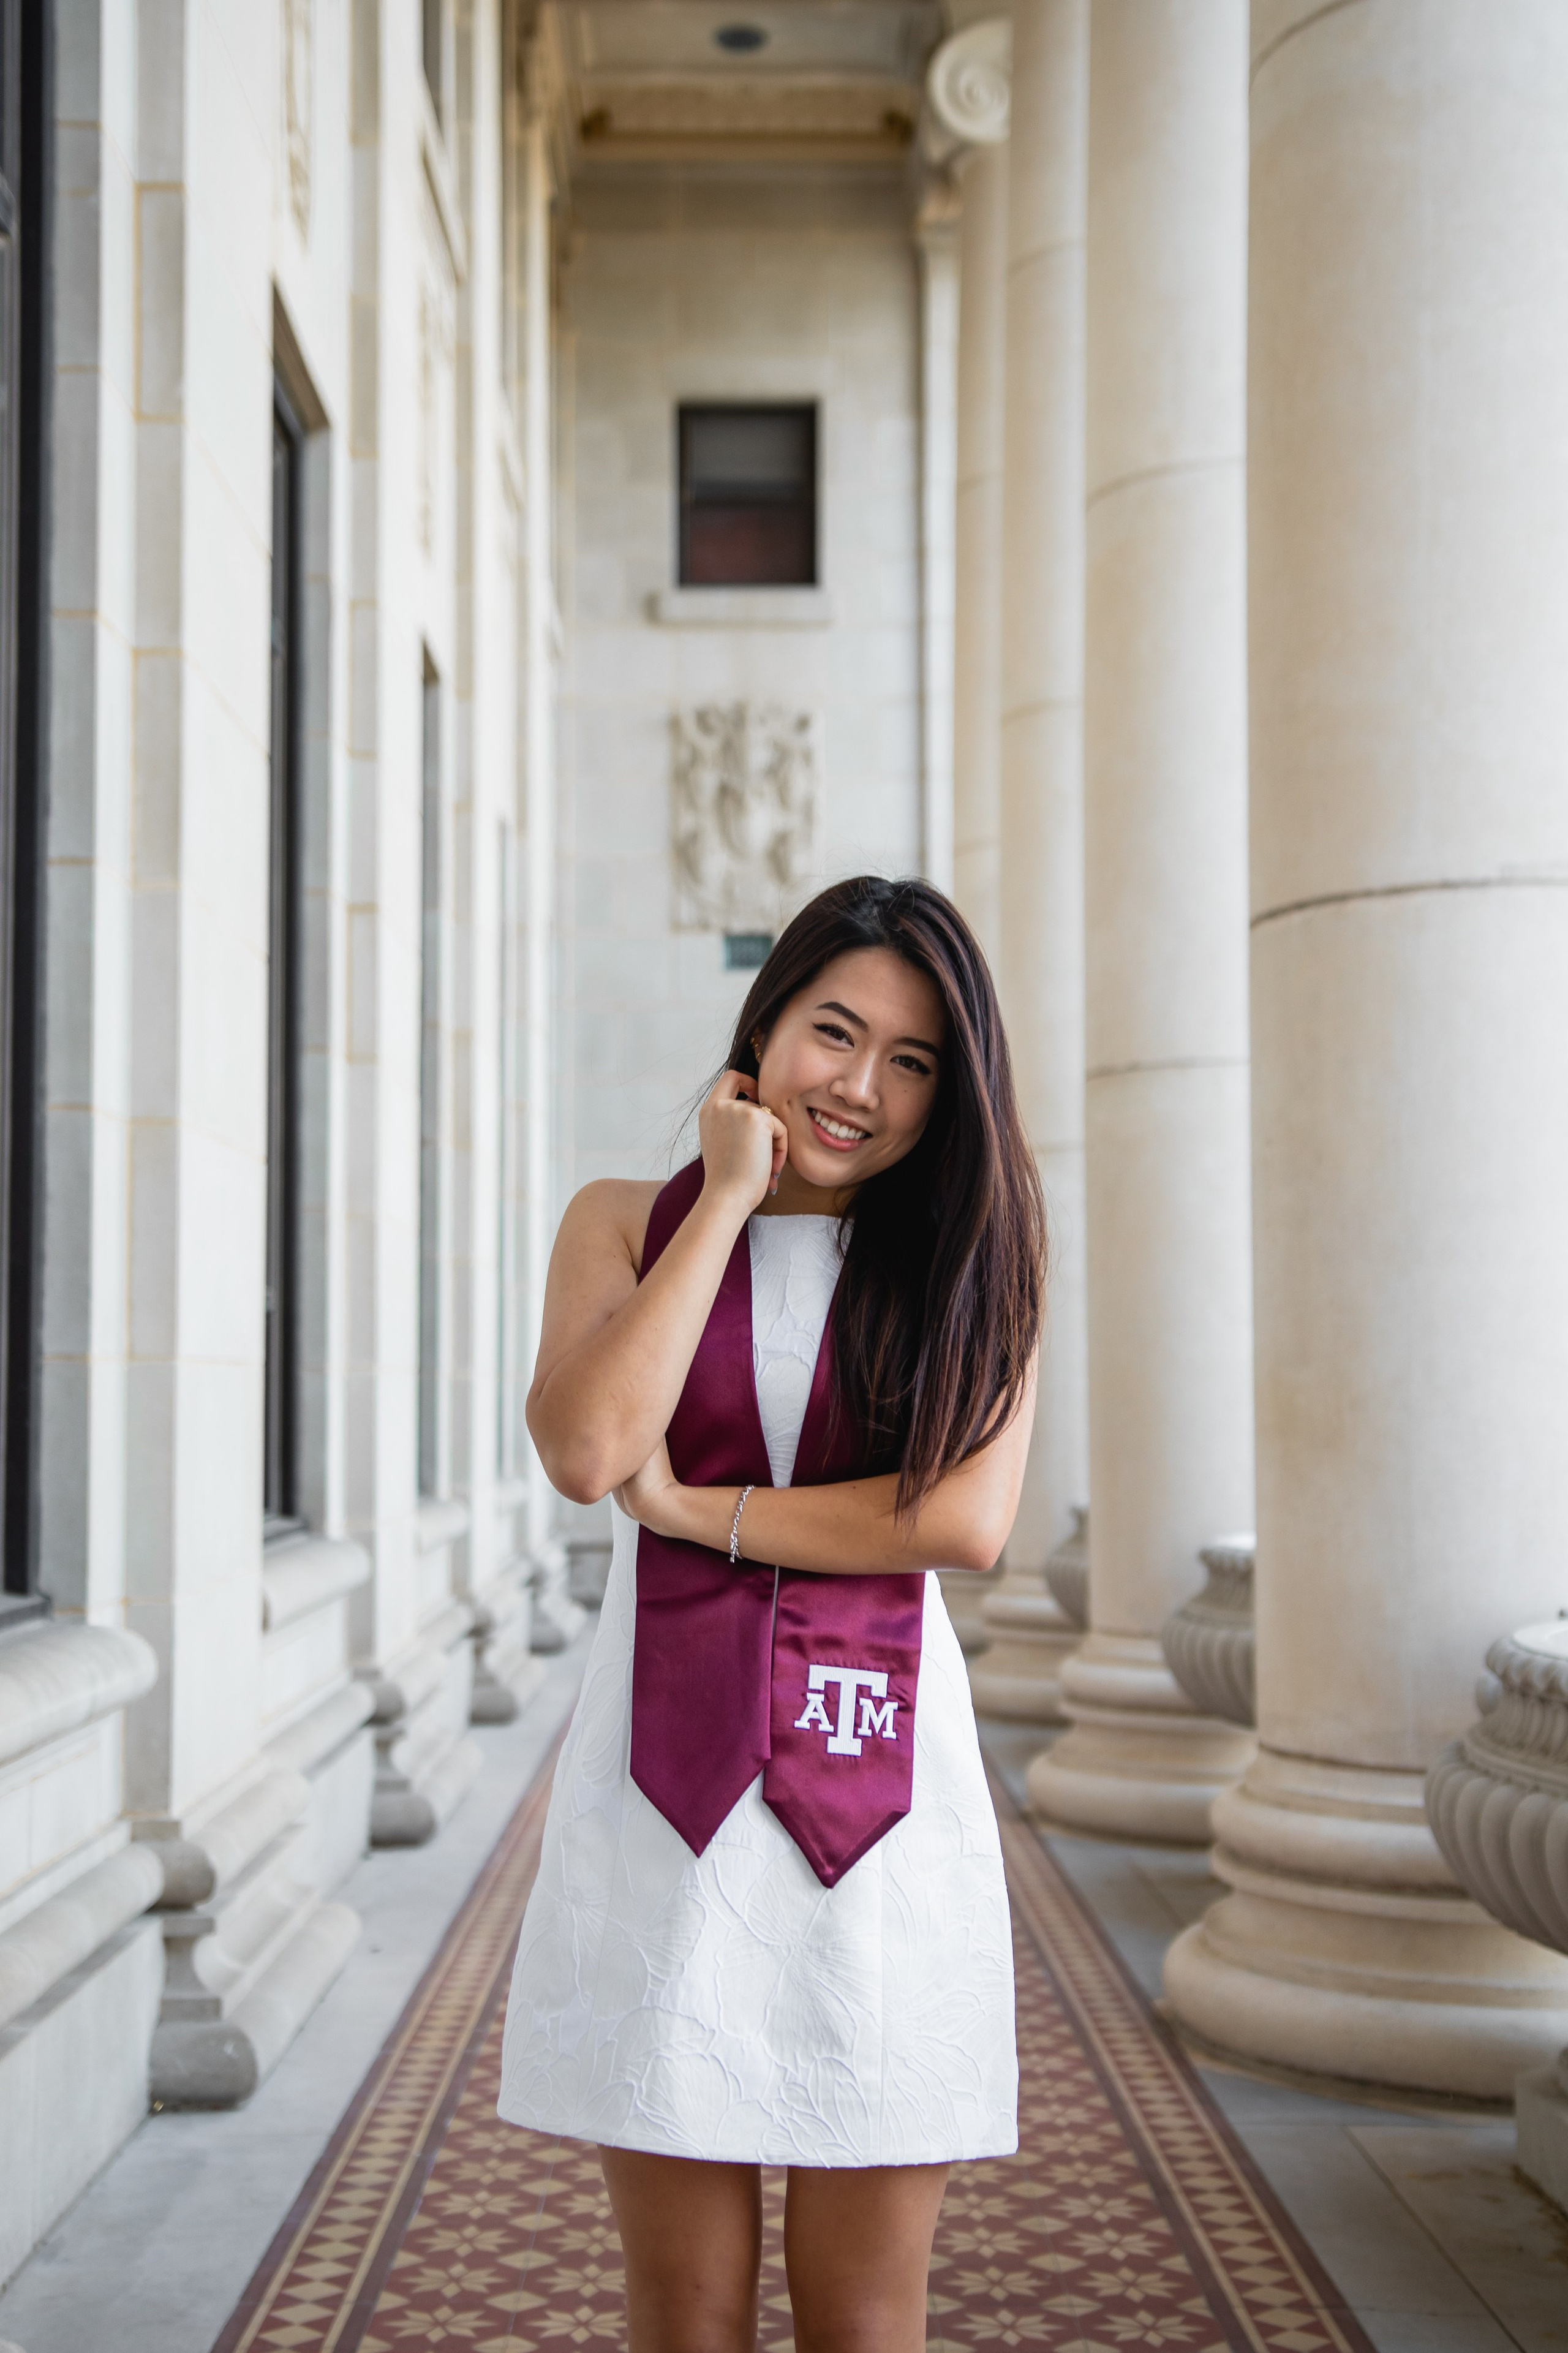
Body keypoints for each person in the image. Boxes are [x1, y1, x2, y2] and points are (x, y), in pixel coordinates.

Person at [499, 874, 1046, 2353]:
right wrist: (729, 1196)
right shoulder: (624, 1220)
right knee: (683, 2310)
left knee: (865, 2315)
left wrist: (705, 1518)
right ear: (767, 1024)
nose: (859, 1086)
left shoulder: (966, 1255)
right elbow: (587, 1448)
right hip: (660, 1807)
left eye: (913, 1060)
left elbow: (959, 1518)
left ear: (951, 1092)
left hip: (877, 1816)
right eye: (833, 1031)